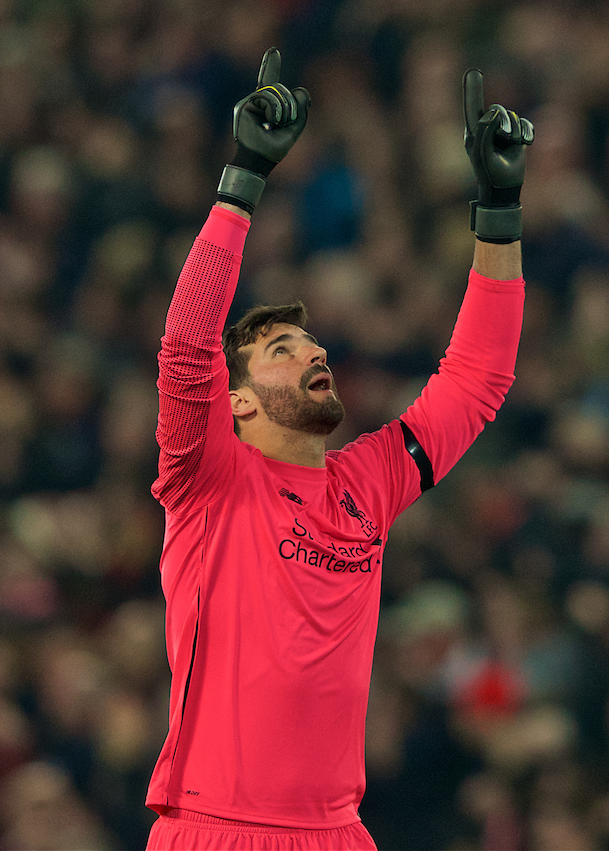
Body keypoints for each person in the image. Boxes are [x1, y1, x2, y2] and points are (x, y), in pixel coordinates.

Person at [143, 48, 534, 850]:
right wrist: (243, 180)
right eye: (283, 348)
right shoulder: (209, 477)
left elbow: (478, 380)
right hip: (218, 829)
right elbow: (187, 347)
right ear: (237, 400)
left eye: (312, 341)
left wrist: (499, 206)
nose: (313, 351)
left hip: (336, 833)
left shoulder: (369, 484)